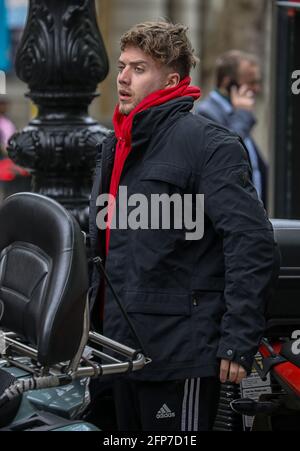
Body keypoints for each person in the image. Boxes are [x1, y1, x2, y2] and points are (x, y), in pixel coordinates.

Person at [89, 22, 278, 432]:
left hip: (178, 354)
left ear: (171, 80)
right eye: (122, 66)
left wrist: (237, 340)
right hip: (118, 352)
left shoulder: (209, 144)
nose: (122, 78)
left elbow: (252, 243)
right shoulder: (115, 144)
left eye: (139, 69)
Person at [195, 50, 268, 208]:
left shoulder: (235, 111)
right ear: (228, 83)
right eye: (251, 82)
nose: (257, 88)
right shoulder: (207, 113)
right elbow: (229, 153)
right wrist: (243, 115)